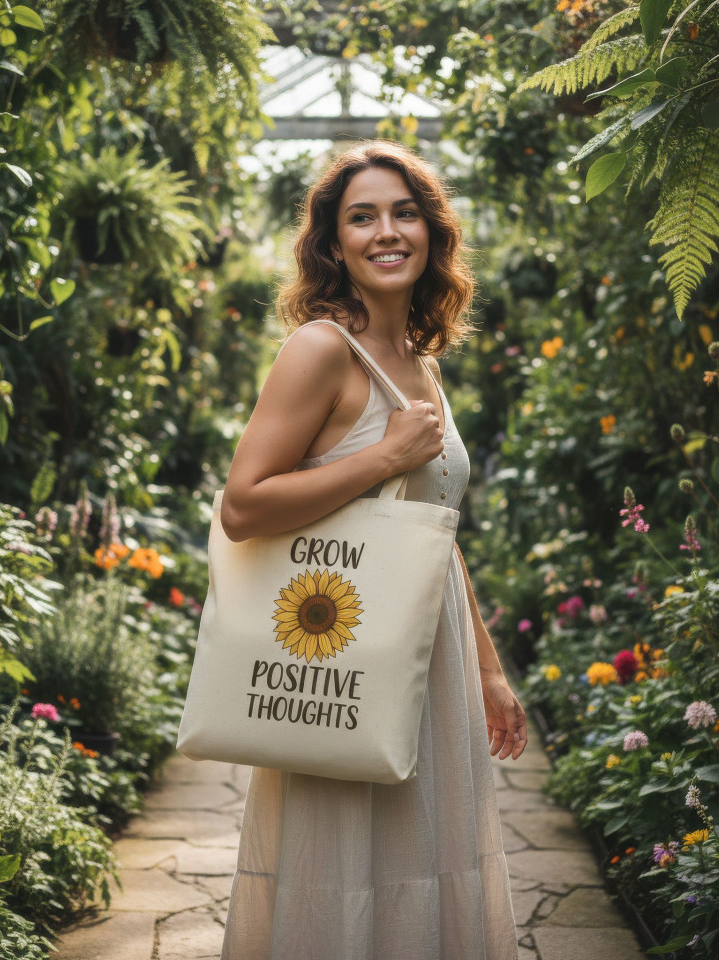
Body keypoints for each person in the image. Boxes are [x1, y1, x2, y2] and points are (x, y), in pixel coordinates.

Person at [218, 140, 527, 959]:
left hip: (435, 665)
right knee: (344, 871)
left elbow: (433, 529)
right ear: (334, 243)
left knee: (426, 864)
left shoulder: (421, 364)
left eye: (404, 212)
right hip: (343, 664)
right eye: (362, 217)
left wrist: (489, 669)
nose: (386, 231)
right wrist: (383, 457)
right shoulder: (321, 349)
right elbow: (243, 506)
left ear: (431, 232)